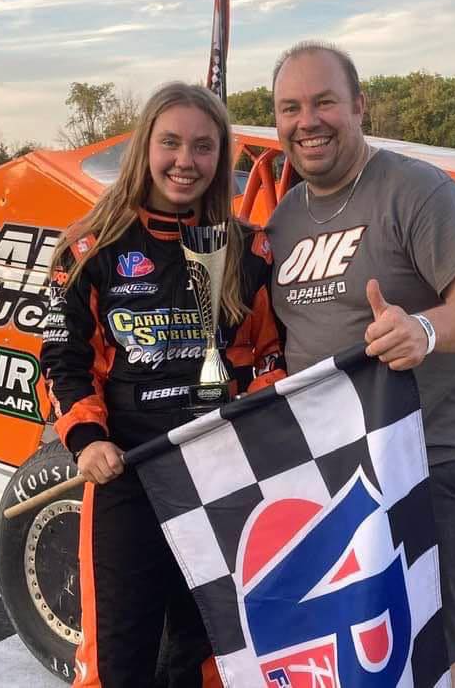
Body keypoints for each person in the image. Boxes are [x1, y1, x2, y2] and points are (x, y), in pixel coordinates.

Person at [267, 42, 455, 688]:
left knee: (435, 644)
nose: (307, 121)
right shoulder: (286, 217)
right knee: (358, 640)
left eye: (324, 102)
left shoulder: (416, 189)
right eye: (290, 108)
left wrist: (425, 330)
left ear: (359, 107)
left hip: (425, 458)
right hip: (333, 468)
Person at [42, 82, 286, 688]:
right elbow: (61, 359)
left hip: (224, 471)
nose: (186, 160)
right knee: (118, 653)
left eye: (204, 147)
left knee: (211, 649)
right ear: (144, 147)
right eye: (171, 142)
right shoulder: (87, 248)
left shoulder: (250, 249)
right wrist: (89, 440)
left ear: (222, 156)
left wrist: (259, 415)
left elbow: (270, 353)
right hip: (127, 472)